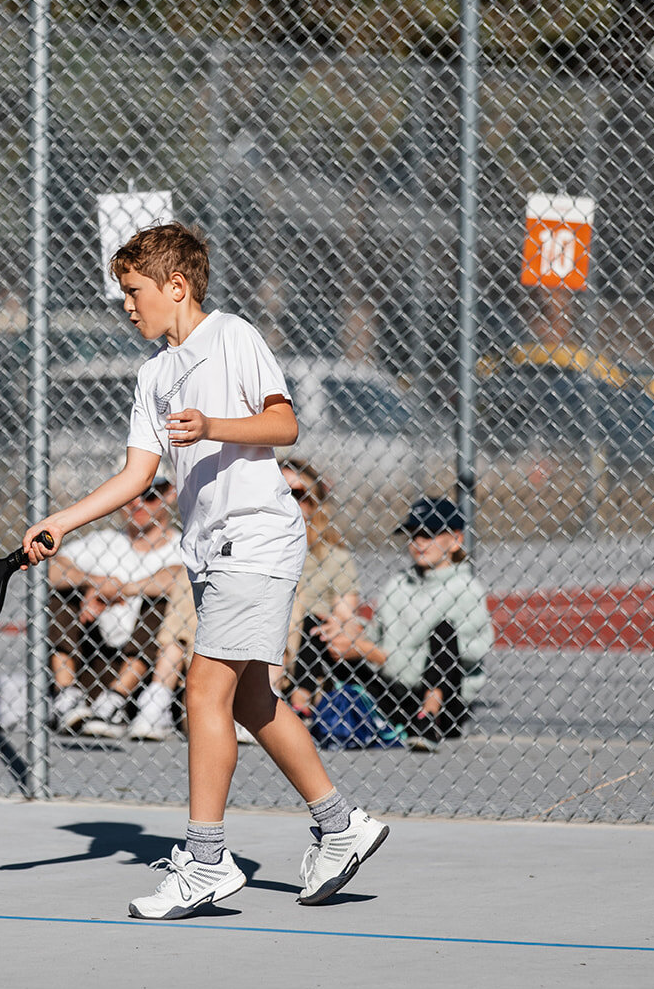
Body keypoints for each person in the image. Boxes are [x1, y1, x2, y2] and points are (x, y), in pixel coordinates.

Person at [23, 222, 387, 919]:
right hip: (211, 550)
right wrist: (62, 520)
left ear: (176, 286)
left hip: (258, 539)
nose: (127, 305)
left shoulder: (233, 337)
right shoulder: (153, 374)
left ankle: (207, 858)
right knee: (250, 700)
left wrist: (214, 424)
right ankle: (343, 826)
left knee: (201, 692)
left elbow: (284, 426)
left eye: (134, 291)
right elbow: (137, 474)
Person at [308, 497, 493, 751]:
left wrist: (368, 651)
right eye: (413, 534)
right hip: (393, 692)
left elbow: (461, 659)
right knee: (318, 626)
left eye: (429, 534)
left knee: (444, 632)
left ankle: (428, 717)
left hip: (443, 700)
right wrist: (351, 629)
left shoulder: (466, 590)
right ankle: (303, 709)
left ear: (456, 540)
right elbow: (378, 634)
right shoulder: (398, 583)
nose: (418, 542)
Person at [45, 477, 184, 736]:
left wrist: (121, 590)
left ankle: (118, 699)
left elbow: (181, 577)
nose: (138, 503)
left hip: (148, 672)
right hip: (94, 660)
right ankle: (67, 695)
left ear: (170, 495)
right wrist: (93, 583)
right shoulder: (103, 541)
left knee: (162, 602)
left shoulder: (183, 545)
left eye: (150, 495)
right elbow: (50, 568)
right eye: (131, 495)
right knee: (63, 594)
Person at [275, 458, 363, 716]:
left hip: (305, 653)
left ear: (315, 503)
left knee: (309, 615)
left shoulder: (335, 558)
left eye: (298, 494)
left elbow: (346, 618)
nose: (289, 502)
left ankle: (280, 694)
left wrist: (338, 622)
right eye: (281, 492)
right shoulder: (254, 552)